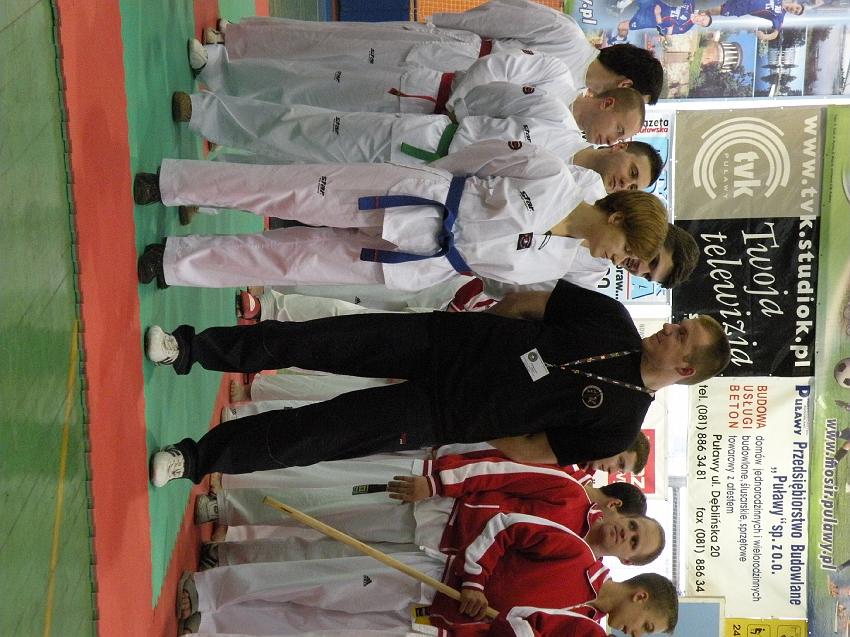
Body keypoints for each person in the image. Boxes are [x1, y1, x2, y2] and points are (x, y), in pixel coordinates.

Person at [144, 279, 731, 484]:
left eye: (681, 336)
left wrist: (479, 420)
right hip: (440, 340)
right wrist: (479, 333)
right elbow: (529, 301)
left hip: (441, 414)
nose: (669, 329)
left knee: (315, 434)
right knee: (313, 340)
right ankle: (189, 347)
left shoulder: (619, 427)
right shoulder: (612, 318)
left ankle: (194, 459)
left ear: (685, 369)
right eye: (678, 323)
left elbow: (537, 450)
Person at [132, 141, 666, 291]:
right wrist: (433, 184)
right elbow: (479, 158)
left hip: (422, 261)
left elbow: (488, 274)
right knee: (289, 190)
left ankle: (175, 262)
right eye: (625, 252)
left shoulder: (554, 264)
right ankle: (173, 184)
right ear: (618, 218)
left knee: (292, 262)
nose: (614, 261)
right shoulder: (552, 174)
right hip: (418, 196)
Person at [196, 1, 664, 103]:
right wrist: (439, 26)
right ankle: (235, 40)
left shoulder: (569, 100)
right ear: (626, 84)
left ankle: (233, 85)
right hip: (443, 47)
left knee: (325, 87)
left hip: (429, 91)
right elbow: (502, 16)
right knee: (333, 44)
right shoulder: (567, 37)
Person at [172, 88, 655, 186]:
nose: (625, 182)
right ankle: (207, 112)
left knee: (309, 178)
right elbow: (491, 95)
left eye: (634, 186)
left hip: (422, 184)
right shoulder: (555, 117)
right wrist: (454, 118)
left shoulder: (565, 189)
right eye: (632, 170)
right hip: (430, 138)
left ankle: (208, 187)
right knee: (310, 128)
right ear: (619, 148)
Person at [706, 0, 804, 41]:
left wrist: (764, 36)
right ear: (796, 2)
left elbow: (775, 34)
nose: (794, 10)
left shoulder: (779, 17)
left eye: (795, 12)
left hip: (742, 7)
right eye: (797, 8)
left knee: (712, 10)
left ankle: (697, 13)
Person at [617, 0, 712, 37]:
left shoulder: (685, 27)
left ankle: (620, 36)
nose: (700, 21)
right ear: (703, 14)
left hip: (649, 20)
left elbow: (663, 32)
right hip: (656, 4)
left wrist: (658, 15)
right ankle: (621, 5)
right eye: (703, 19)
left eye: (702, 24)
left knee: (622, 26)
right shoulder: (691, 5)